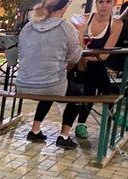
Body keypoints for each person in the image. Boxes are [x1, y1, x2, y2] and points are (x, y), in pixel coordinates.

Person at [16, 0, 82, 149]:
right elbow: (75, 58)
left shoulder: (27, 27)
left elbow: (21, 53)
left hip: (22, 84)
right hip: (51, 84)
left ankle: (35, 130)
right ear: (64, 6)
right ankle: (64, 136)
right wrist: (82, 32)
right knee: (76, 92)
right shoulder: (66, 27)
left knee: (49, 86)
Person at [73, 0, 123, 139]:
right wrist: (82, 57)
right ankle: (112, 114)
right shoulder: (85, 19)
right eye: (101, 1)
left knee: (94, 81)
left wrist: (84, 57)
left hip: (93, 66)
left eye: (108, 2)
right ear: (96, 3)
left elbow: (103, 55)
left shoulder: (116, 24)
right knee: (103, 85)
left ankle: (81, 123)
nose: (104, 5)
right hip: (81, 66)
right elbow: (78, 47)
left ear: (113, 4)